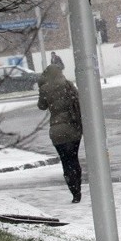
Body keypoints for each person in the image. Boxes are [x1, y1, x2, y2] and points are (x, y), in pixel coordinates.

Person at [37, 62, 83, 203]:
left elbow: (41, 106)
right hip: (73, 128)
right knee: (74, 159)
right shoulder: (68, 85)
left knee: (65, 161)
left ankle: (73, 190)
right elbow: (79, 101)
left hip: (57, 131)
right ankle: (78, 189)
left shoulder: (45, 89)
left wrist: (42, 86)